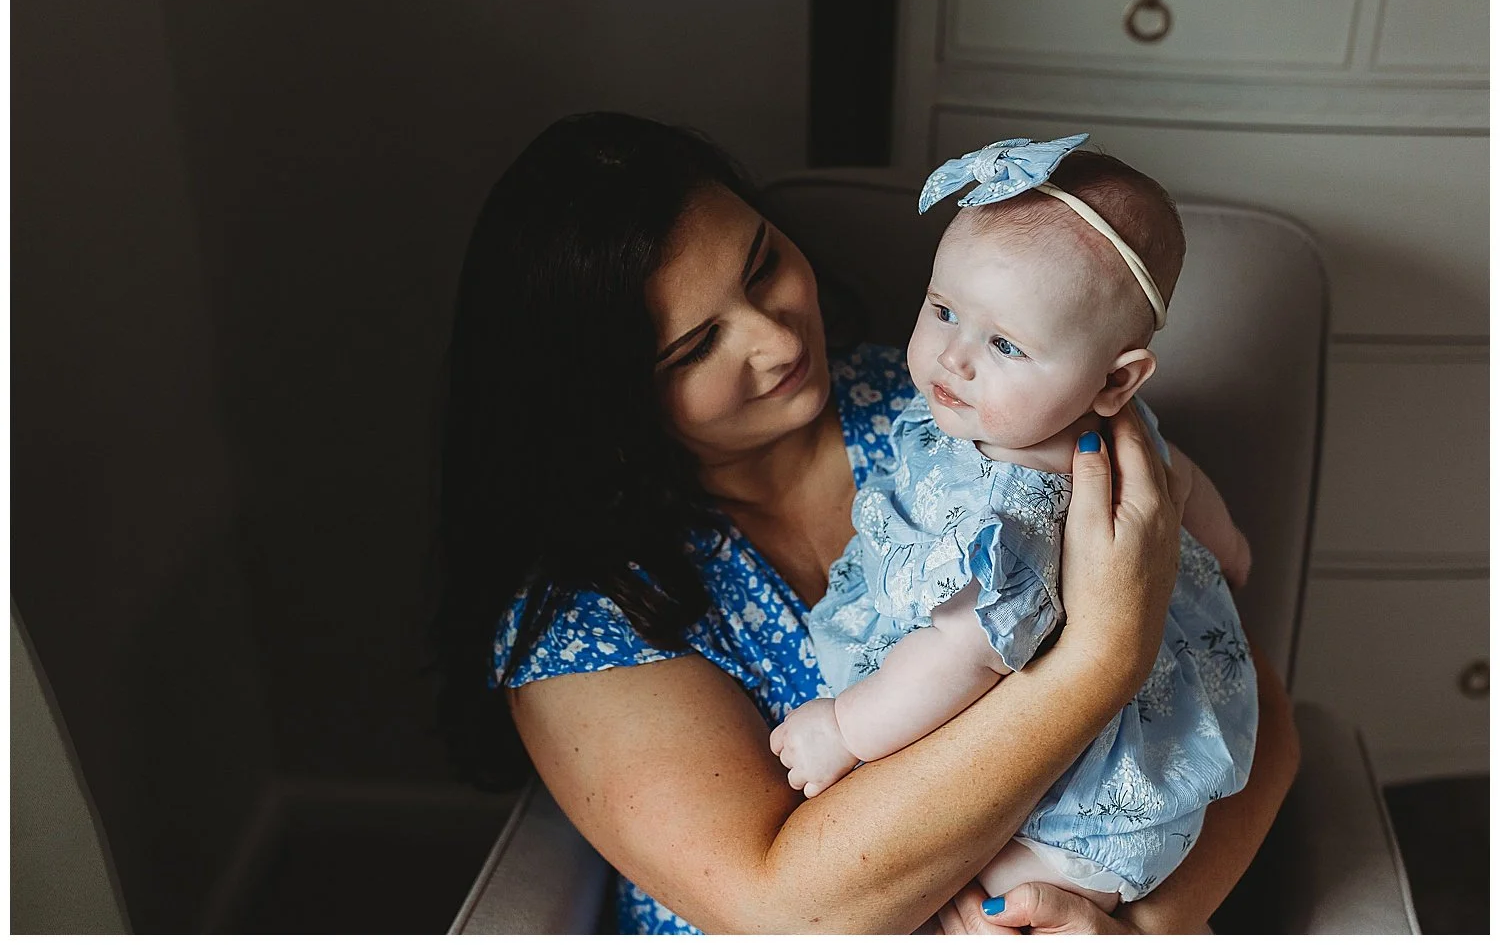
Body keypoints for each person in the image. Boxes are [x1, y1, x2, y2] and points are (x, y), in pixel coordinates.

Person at [436, 113, 1299, 934]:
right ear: (602, 397)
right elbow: (788, 914)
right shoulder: (587, 616)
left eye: (762, 266)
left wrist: (1141, 926)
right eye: (695, 348)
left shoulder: (979, 414)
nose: (775, 341)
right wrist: (1102, 660)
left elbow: (1238, 689)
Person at [770, 135, 1255, 915]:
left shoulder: (1009, 513)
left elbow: (962, 658)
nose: (952, 360)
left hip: (1084, 797)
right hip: (1146, 716)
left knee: (993, 888)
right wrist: (1229, 551)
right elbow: (1185, 481)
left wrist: (846, 731)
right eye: (942, 310)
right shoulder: (1105, 427)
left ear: (1115, 379)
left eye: (1004, 344)